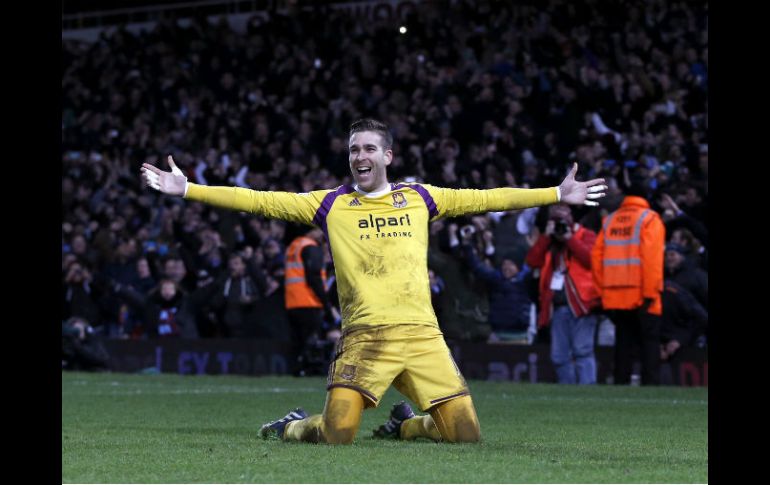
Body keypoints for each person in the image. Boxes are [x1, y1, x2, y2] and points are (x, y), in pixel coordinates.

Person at [141, 118, 606, 444]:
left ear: (387, 155)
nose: (359, 156)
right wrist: (189, 188)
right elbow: (261, 200)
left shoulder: (421, 196)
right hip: (366, 338)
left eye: (367, 148)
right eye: (353, 150)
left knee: (466, 435)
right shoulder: (329, 204)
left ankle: (406, 425)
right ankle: (292, 426)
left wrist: (554, 194)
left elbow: (486, 198)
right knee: (337, 434)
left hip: (423, 336)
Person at [591, 176, 665, 386]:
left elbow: (596, 259)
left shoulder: (610, 220)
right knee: (649, 345)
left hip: (615, 295)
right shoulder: (650, 219)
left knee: (623, 344)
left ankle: (620, 386)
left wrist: (601, 292)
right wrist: (651, 293)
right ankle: (651, 388)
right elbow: (651, 260)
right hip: (643, 294)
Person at [525, 204, 601, 384]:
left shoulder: (586, 235)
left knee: (582, 351)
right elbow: (532, 261)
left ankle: (587, 395)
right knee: (559, 355)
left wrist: (569, 238)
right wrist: (545, 237)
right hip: (557, 307)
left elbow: (592, 259)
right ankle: (568, 396)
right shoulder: (549, 241)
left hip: (583, 304)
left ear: (571, 220)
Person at [284, 228, 332, 376]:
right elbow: (314, 278)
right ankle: (309, 370)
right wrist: (326, 304)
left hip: (293, 301)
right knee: (311, 341)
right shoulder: (310, 247)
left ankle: (297, 370)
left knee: (298, 341)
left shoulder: (294, 245)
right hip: (309, 301)